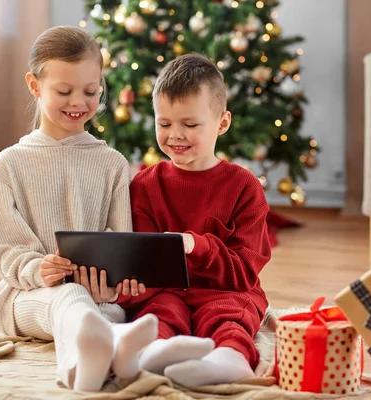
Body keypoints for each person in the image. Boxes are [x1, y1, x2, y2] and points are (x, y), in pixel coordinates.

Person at [0, 26, 157, 392]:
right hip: (27, 295)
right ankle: (80, 368)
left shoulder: (112, 163)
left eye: (91, 92)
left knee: (111, 312)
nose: (78, 102)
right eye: (64, 91)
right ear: (34, 86)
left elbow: (119, 239)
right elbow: (8, 251)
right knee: (69, 296)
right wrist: (39, 269)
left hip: (97, 298)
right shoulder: (9, 165)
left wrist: (110, 285)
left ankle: (104, 352)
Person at [115, 53, 272, 387]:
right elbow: (142, 262)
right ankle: (157, 351)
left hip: (225, 289)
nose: (175, 135)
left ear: (222, 123)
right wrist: (129, 286)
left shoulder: (244, 187)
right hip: (165, 291)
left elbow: (244, 272)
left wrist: (194, 246)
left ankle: (231, 358)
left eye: (190, 124)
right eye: (164, 123)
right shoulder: (144, 185)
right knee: (159, 312)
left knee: (229, 313)